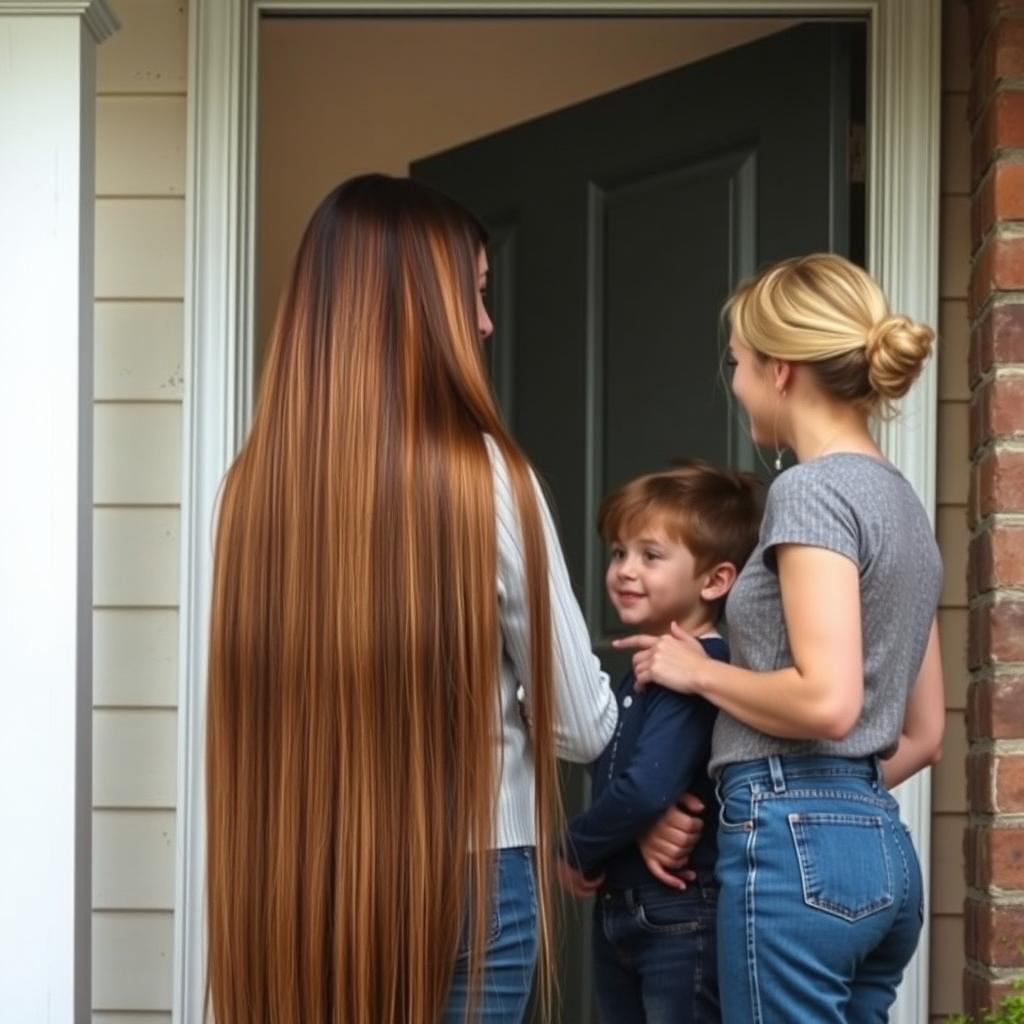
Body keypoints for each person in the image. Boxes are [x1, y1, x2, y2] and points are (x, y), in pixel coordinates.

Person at [205, 173, 617, 1024]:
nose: (486, 322)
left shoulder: (251, 493)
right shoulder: (487, 476)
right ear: (414, 308)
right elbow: (580, 724)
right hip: (473, 874)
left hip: (295, 875)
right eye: (472, 294)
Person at [616, 253, 945, 1022]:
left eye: (737, 363)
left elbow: (828, 701)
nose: (734, 384)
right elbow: (924, 735)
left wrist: (694, 672)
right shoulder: (902, 504)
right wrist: (835, 806)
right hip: (881, 851)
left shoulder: (810, 489)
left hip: (798, 858)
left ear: (782, 369)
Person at [559, 463, 762, 1023]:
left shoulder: (696, 669)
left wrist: (571, 846)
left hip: (679, 912)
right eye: (619, 552)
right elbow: (627, 773)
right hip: (627, 906)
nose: (624, 570)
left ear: (715, 580)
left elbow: (647, 787)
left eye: (650, 556)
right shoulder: (649, 668)